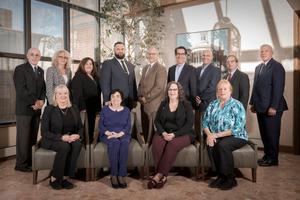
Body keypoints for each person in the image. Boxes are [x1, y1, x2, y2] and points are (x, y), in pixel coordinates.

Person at [148, 81, 195, 189]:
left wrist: (174, 134)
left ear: (179, 91)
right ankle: (163, 177)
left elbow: (189, 125)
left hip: (183, 134)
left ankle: (159, 175)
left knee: (172, 145)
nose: (172, 92)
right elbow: (157, 121)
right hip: (165, 132)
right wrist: (163, 133)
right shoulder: (163, 103)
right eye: (170, 89)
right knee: (157, 143)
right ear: (167, 92)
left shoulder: (186, 104)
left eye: (174, 89)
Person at [202, 80, 248, 190]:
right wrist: (209, 135)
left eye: (225, 89)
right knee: (211, 144)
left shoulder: (237, 104)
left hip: (237, 136)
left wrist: (216, 135)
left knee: (222, 145)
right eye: (220, 89)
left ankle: (230, 178)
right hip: (216, 135)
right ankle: (221, 176)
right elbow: (205, 122)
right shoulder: (213, 104)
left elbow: (238, 127)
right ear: (217, 91)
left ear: (230, 91)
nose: (222, 91)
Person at [250, 44, 288, 166]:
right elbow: (255, 87)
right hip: (260, 106)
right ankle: (267, 156)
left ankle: (273, 159)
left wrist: (274, 107)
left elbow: (278, 88)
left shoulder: (277, 67)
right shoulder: (258, 67)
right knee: (265, 134)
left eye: (266, 51)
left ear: (271, 53)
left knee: (272, 134)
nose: (263, 53)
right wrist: (252, 103)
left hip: (272, 107)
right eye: (261, 51)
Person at [41, 85, 82, 190]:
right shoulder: (49, 109)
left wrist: (77, 135)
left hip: (70, 138)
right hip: (53, 139)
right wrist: (61, 137)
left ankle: (64, 177)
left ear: (68, 95)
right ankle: (54, 177)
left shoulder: (74, 108)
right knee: (64, 147)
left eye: (65, 93)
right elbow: (44, 132)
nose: (63, 96)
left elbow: (80, 127)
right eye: (60, 93)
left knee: (77, 144)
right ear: (55, 95)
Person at [13, 47, 46, 172]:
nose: (34, 57)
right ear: (27, 56)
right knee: (23, 138)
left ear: (40, 57)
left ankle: (30, 162)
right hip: (24, 109)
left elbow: (43, 89)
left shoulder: (40, 71)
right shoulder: (20, 69)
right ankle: (21, 164)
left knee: (32, 137)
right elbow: (21, 90)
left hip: (36, 110)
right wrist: (34, 102)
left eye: (37, 55)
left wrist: (42, 101)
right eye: (32, 54)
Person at [99, 89, 131, 189]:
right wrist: (109, 133)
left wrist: (119, 134)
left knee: (124, 143)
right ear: (110, 99)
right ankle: (114, 174)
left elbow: (128, 126)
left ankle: (121, 175)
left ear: (121, 99)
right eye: (113, 96)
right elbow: (101, 125)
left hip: (123, 134)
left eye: (118, 96)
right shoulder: (105, 109)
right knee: (115, 143)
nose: (115, 98)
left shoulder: (126, 110)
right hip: (108, 134)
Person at [138, 47, 167, 144]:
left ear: (157, 55)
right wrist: (140, 96)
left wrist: (147, 97)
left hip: (154, 105)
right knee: (146, 130)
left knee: (154, 131)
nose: (151, 56)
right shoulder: (146, 68)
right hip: (143, 103)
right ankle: (146, 151)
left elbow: (159, 87)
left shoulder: (161, 68)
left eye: (153, 54)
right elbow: (141, 84)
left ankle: (153, 154)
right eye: (149, 54)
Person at [71, 57, 101, 144]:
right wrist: (82, 107)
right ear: (82, 65)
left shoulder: (95, 77)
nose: (89, 65)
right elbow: (77, 94)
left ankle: (90, 146)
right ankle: (84, 146)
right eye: (86, 64)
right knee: (85, 128)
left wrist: (98, 108)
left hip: (93, 107)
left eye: (91, 64)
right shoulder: (78, 76)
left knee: (91, 127)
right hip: (84, 107)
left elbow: (98, 93)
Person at [100, 41, 138, 110]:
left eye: (122, 49)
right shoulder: (108, 64)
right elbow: (105, 83)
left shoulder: (130, 65)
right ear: (114, 50)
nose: (120, 51)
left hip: (128, 102)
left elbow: (133, 84)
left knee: (127, 120)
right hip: (114, 101)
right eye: (118, 49)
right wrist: (107, 99)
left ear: (125, 50)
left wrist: (134, 99)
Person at [195, 49, 221, 139]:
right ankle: (200, 151)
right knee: (198, 130)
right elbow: (194, 85)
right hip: (197, 105)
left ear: (212, 57)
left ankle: (208, 152)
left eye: (208, 55)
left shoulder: (216, 70)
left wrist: (200, 98)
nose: (205, 57)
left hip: (208, 104)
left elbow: (212, 88)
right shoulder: (197, 70)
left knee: (209, 131)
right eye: (204, 55)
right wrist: (195, 98)